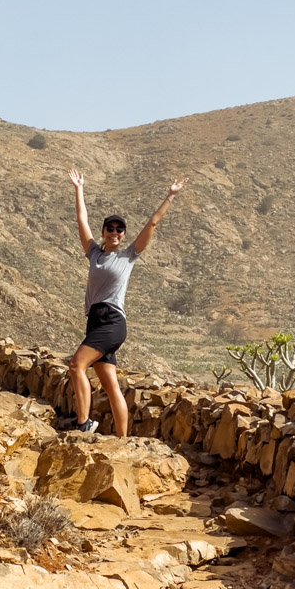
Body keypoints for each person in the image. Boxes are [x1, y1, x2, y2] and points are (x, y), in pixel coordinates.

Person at [66, 168, 188, 436]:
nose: (115, 232)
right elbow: (80, 219)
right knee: (110, 386)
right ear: (104, 231)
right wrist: (79, 189)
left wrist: (170, 195)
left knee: (76, 365)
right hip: (95, 322)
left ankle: (83, 424)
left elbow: (152, 223)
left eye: (120, 230)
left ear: (123, 235)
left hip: (112, 322)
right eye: (110, 228)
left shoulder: (128, 256)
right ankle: (123, 441)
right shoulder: (94, 253)